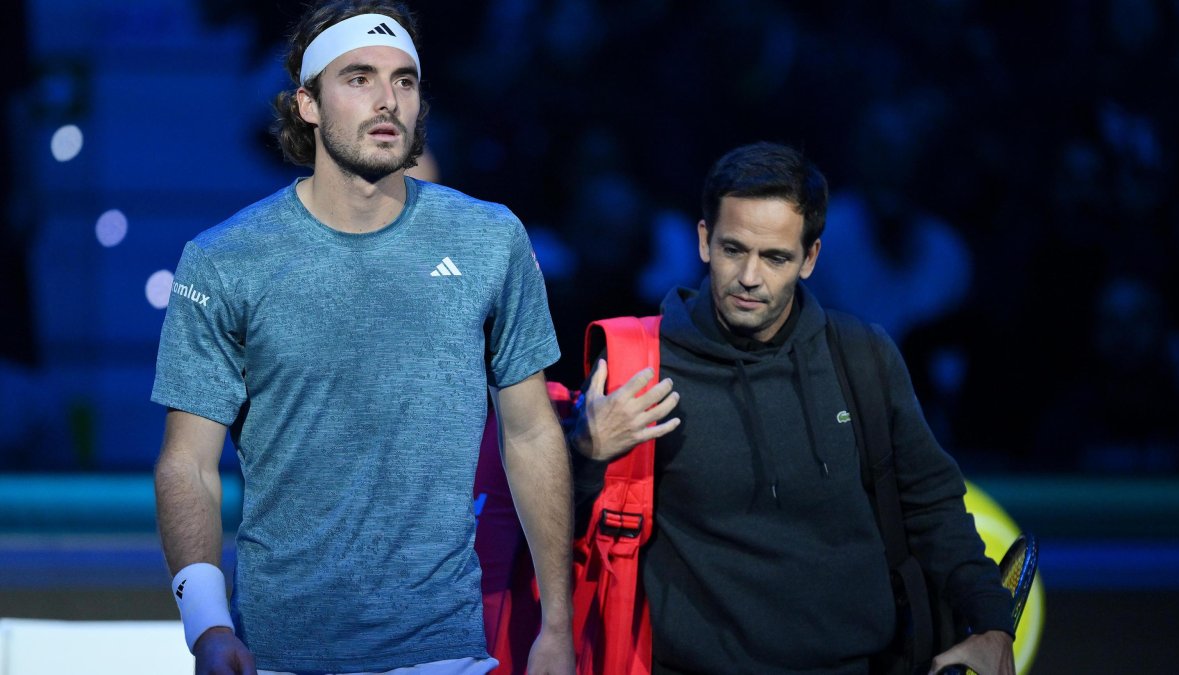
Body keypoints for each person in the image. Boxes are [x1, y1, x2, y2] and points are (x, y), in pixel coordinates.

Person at [151, 2, 573, 673]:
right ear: (307, 105)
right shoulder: (224, 260)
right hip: (279, 654)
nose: (389, 100)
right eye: (359, 78)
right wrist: (208, 626)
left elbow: (530, 431)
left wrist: (558, 624)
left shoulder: (491, 240)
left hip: (445, 650)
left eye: (405, 80)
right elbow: (188, 462)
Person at [569, 142, 1015, 675]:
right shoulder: (642, 366)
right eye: (734, 249)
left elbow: (933, 505)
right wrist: (585, 456)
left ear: (810, 258)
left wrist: (993, 625)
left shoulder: (862, 356)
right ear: (705, 241)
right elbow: (571, 537)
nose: (750, 277)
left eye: (775, 256)